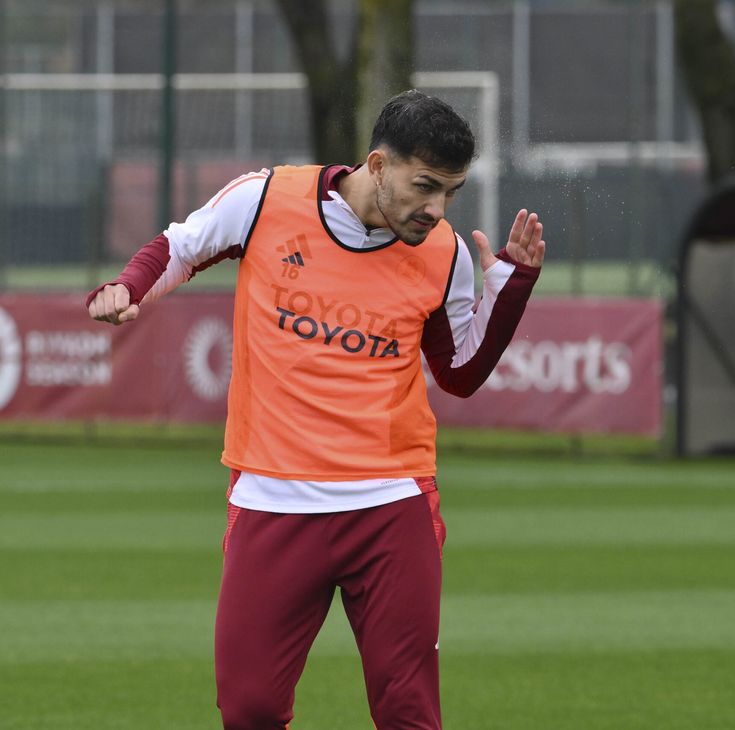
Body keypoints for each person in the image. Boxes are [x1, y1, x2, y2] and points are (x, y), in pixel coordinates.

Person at [86, 90, 545, 730]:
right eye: (425, 186)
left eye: (452, 192)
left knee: (409, 711)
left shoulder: (443, 252)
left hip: (391, 499)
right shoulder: (266, 199)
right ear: (378, 166)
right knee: (248, 709)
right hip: (273, 498)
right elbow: (181, 246)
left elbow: (459, 374)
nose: (436, 209)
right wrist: (128, 286)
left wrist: (511, 289)